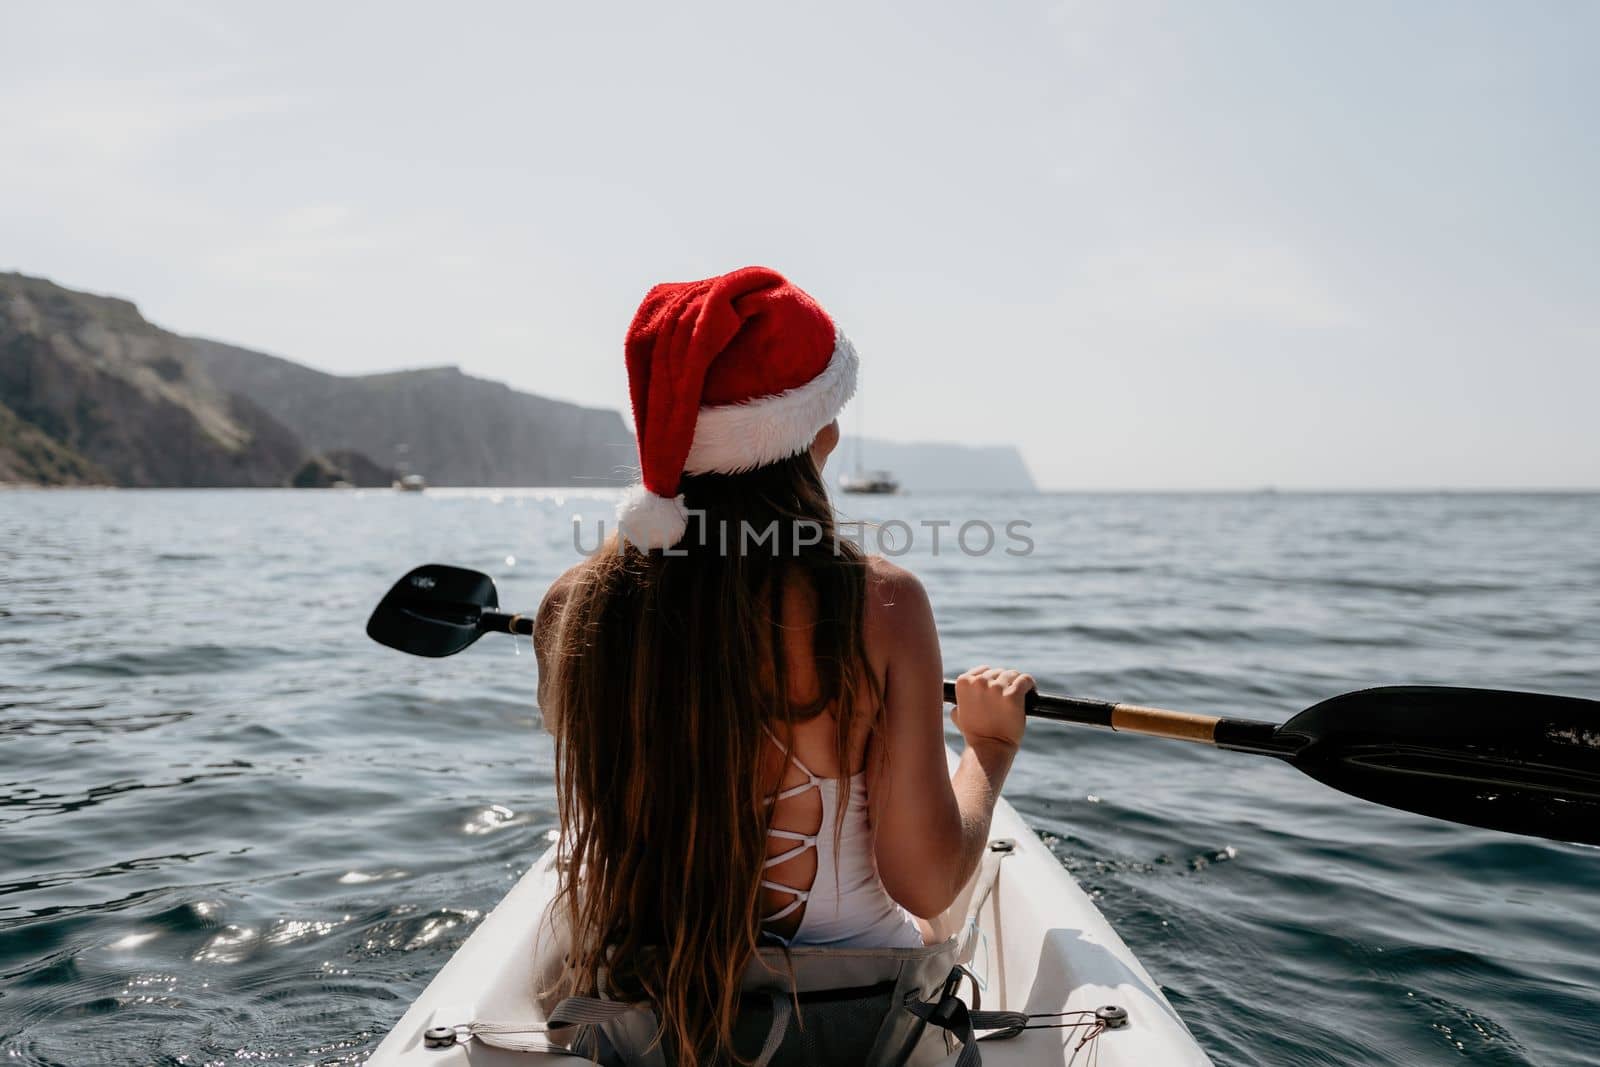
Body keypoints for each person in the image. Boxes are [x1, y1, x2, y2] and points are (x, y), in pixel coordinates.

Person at [533, 266, 1034, 1065]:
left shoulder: (573, 607)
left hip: (637, 1009)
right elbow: (928, 881)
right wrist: (990, 747)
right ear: (817, 438)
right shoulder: (883, 605)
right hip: (846, 1015)